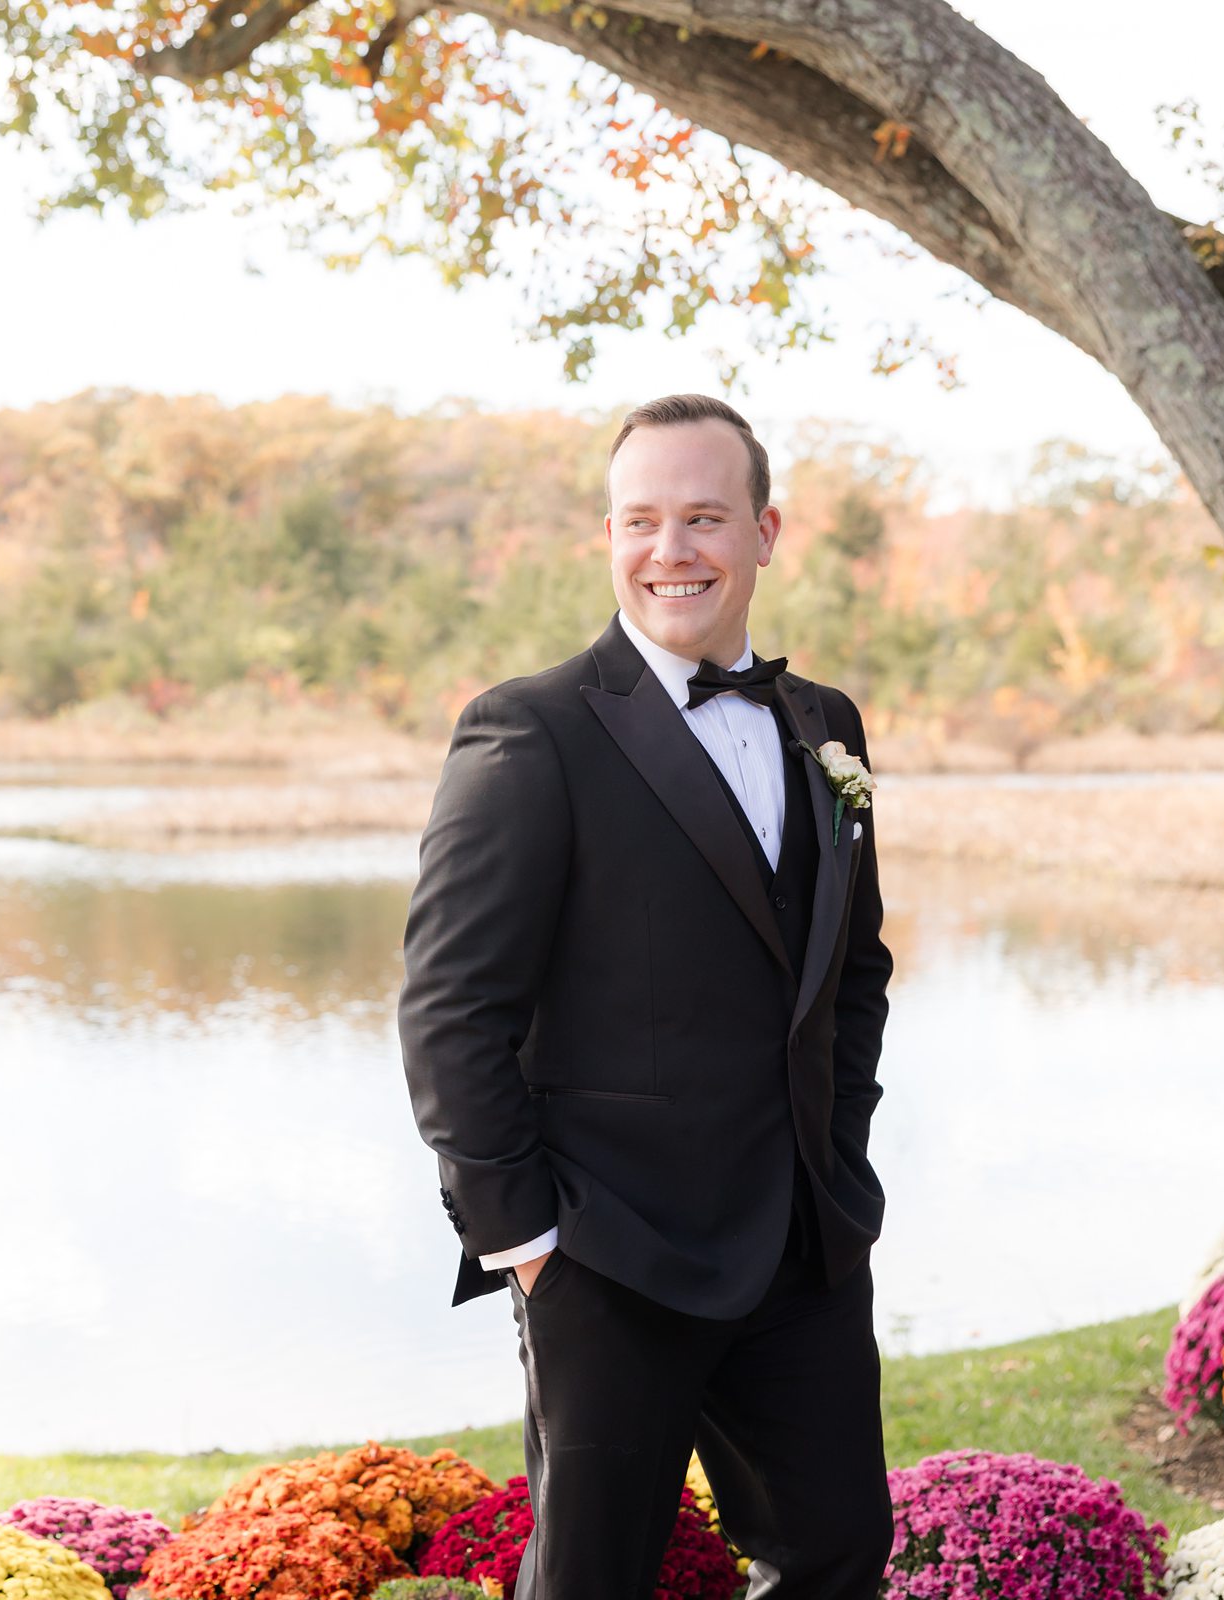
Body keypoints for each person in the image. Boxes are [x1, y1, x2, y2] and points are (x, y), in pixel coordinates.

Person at [399, 394, 895, 1598]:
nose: (671, 550)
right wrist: (528, 1244)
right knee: (592, 1581)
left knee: (838, 1551)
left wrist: (834, 1154)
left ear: (766, 532)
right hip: (610, 1258)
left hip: (802, 1248)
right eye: (642, 520)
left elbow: (855, 969)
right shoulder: (531, 731)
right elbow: (450, 1009)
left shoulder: (823, 723)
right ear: (610, 534)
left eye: (705, 518)